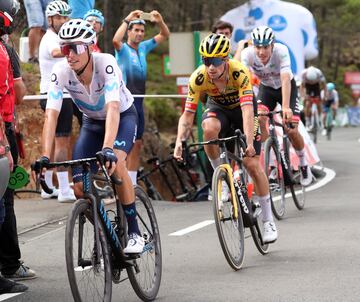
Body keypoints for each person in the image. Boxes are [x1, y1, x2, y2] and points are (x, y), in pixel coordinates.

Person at [38, 19, 144, 253]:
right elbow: (51, 116)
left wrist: (108, 148)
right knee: (78, 188)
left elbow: (114, 108)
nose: (69, 55)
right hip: (92, 123)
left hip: (122, 117)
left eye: (74, 48)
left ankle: (135, 232)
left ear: (90, 47)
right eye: (65, 48)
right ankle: (104, 234)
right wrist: (45, 155)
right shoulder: (61, 71)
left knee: (117, 164)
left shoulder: (106, 63)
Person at [173, 33, 278, 243]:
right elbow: (188, 115)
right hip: (219, 110)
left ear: (226, 60)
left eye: (216, 61)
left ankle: (268, 220)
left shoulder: (239, 72)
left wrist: (249, 143)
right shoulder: (199, 78)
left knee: (251, 164)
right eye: (206, 61)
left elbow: (248, 111)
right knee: (209, 128)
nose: (211, 66)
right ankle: (221, 176)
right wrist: (178, 142)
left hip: (242, 112)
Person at [241, 26, 313, 186]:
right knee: (259, 118)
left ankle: (303, 164)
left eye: (265, 47)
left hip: (286, 88)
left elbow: (286, 79)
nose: (261, 52)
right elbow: (243, 80)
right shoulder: (247, 54)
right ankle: (273, 159)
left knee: (291, 129)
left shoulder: (281, 51)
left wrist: (286, 106)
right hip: (266, 89)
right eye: (258, 47)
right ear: (253, 45)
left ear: (272, 44)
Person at [0, 0, 36, 284]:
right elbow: (19, 92)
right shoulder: (6, 51)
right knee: (4, 200)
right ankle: (10, 263)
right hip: (4, 130)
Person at [112, 10, 170, 185]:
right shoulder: (122, 50)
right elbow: (115, 40)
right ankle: (118, 181)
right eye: (135, 30)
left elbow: (165, 35)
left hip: (139, 103)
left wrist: (159, 21)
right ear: (129, 32)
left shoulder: (144, 47)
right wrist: (126, 20)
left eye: (141, 31)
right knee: (124, 145)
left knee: (137, 145)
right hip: (124, 104)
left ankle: (132, 183)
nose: (139, 34)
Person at [38, 0, 77, 202]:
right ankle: (63, 188)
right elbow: (55, 52)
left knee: (52, 145)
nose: (62, 21)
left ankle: (47, 186)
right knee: (63, 143)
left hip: (49, 93)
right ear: (50, 19)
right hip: (58, 94)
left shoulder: (53, 36)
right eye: (59, 17)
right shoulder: (51, 38)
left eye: (65, 17)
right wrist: (73, 47)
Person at [300, 66, 326, 130]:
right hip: (308, 87)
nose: (311, 82)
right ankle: (307, 121)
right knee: (307, 103)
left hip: (316, 86)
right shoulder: (303, 74)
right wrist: (303, 96)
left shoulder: (319, 73)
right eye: (310, 80)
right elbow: (302, 87)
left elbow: (324, 86)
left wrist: (324, 95)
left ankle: (319, 118)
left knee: (319, 102)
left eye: (312, 80)